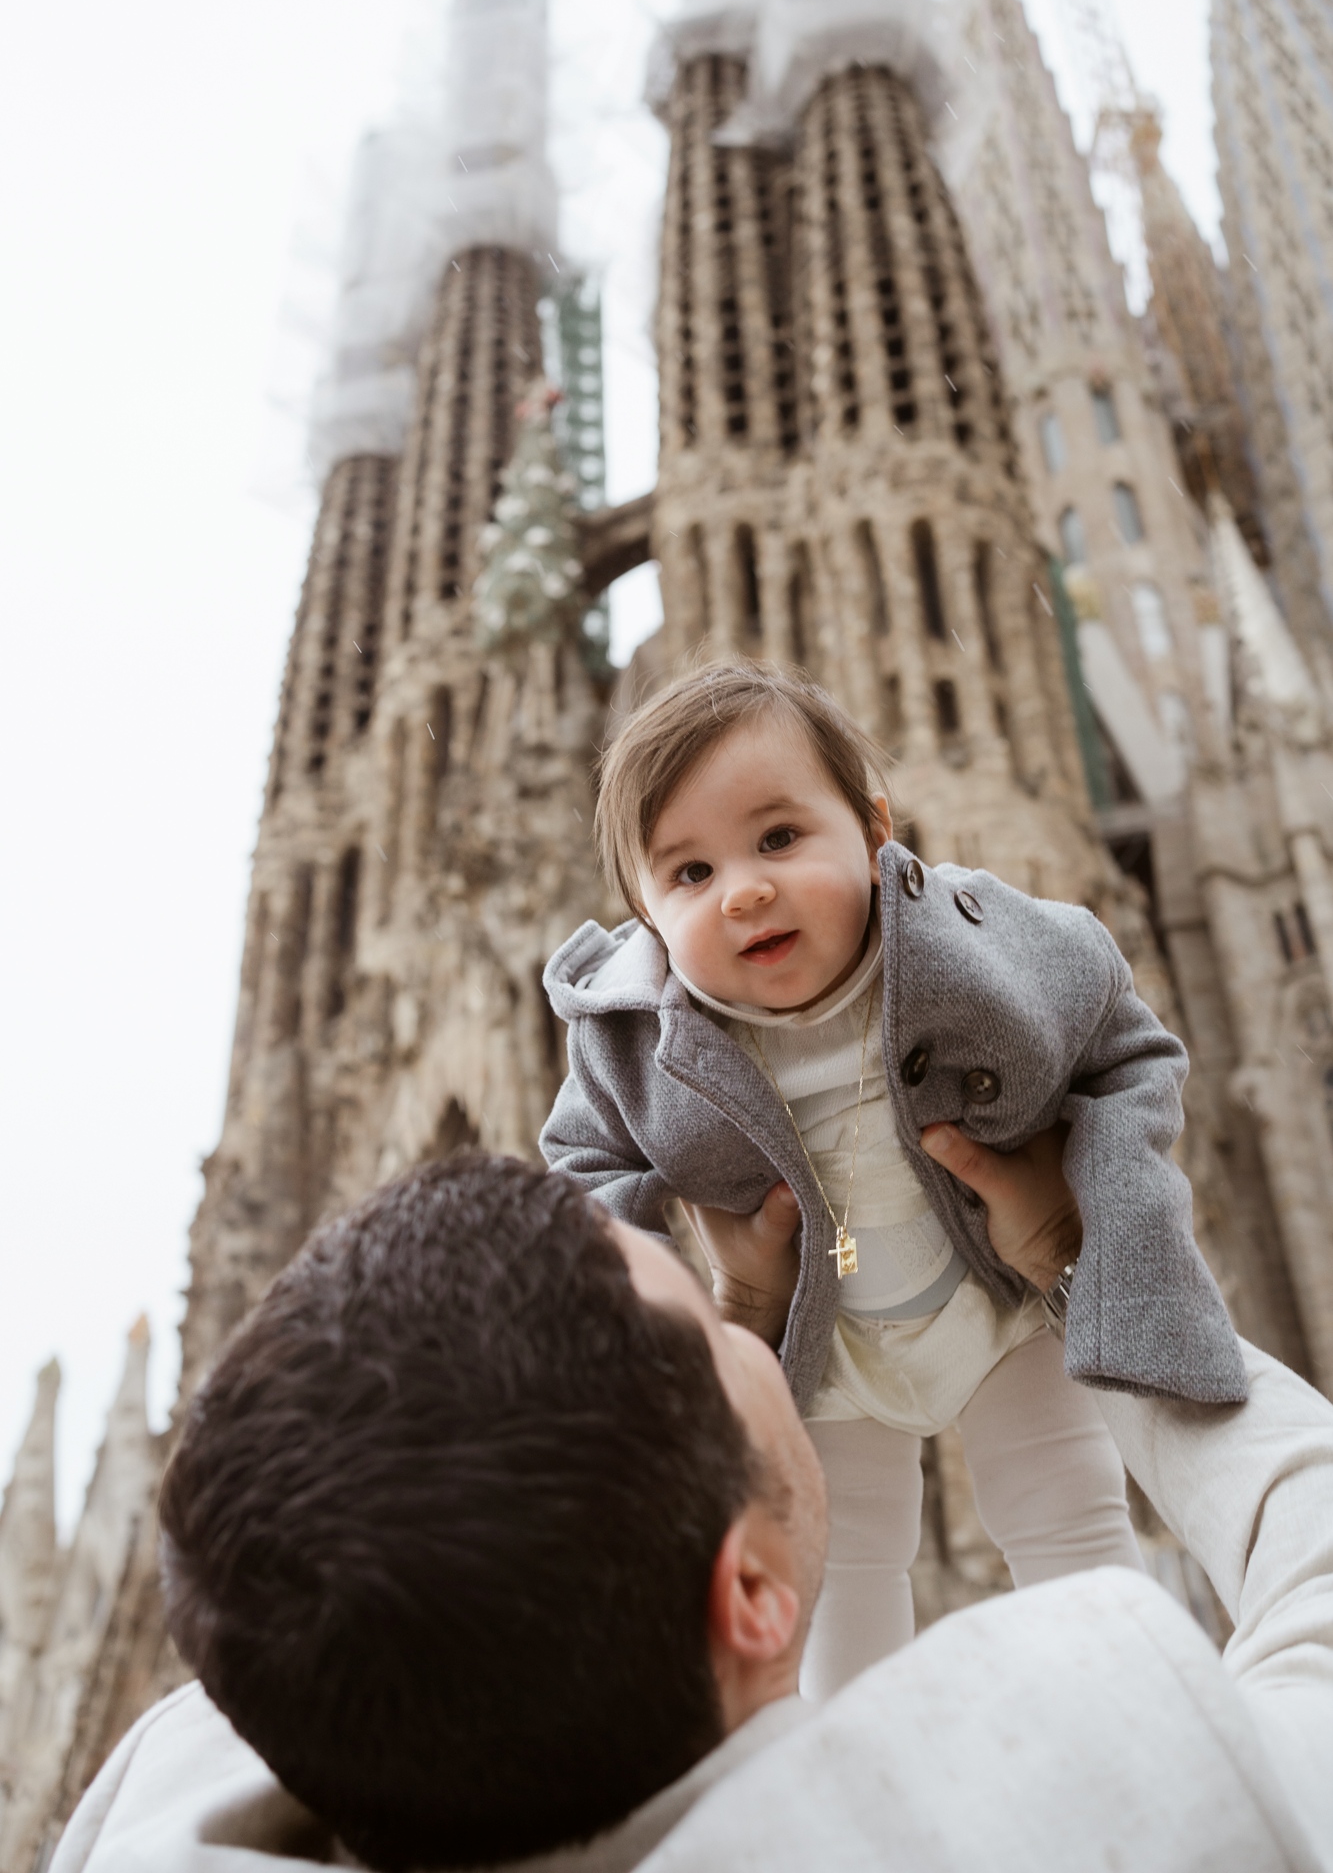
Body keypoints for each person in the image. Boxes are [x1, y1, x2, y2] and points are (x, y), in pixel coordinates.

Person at [51, 1142, 1333, 1873]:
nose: (744, 1322)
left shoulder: (187, 1798)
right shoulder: (1073, 1819)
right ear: (755, 1597)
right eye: (706, 1322)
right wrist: (1074, 1257)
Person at [540, 662, 1246, 1688]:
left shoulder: (975, 940)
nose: (743, 887)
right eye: (687, 874)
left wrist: (1116, 1237)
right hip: (822, 1354)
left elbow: (1119, 1038)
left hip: (997, 1301)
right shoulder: (631, 1042)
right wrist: (698, 1323)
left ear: (876, 831)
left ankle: (1121, 1708)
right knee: (836, 1564)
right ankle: (857, 1784)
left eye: (778, 837)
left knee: (1066, 1508)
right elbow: (583, 1179)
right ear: (644, 918)